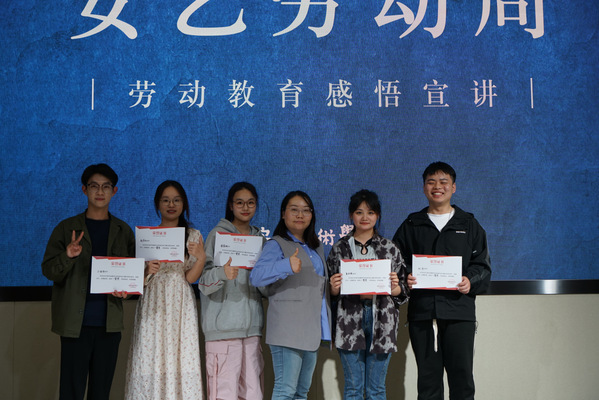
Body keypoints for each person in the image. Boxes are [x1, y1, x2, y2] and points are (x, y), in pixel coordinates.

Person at [392, 162, 492, 400]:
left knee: (462, 379)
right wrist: (407, 277)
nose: (437, 187)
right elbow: (396, 261)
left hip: (459, 312)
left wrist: (469, 280)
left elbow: (482, 265)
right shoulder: (412, 224)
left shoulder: (469, 224)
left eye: (443, 182)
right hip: (423, 313)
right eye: (431, 182)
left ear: (453, 187)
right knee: (428, 382)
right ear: (424, 188)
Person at [42, 163, 135, 400]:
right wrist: (68, 255)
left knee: (100, 393)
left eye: (106, 186)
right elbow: (49, 271)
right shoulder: (66, 228)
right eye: (94, 186)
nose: (100, 192)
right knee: (71, 392)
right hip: (75, 325)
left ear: (115, 191)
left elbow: (133, 277)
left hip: (109, 325)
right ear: (84, 189)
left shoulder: (123, 231)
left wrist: (128, 291)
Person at [124, 180, 205, 400]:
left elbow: (190, 277)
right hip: (154, 299)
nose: (171, 205)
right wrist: (146, 271)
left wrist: (201, 258)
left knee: (181, 355)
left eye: (176, 200)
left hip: (180, 301)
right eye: (166, 200)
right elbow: (136, 281)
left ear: (184, 204)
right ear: (157, 204)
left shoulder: (193, 235)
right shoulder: (148, 236)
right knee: (150, 352)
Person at [250, 191, 332, 400]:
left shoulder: (316, 247)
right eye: (294, 210)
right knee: (285, 391)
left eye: (306, 210)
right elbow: (256, 277)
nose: (300, 215)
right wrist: (286, 265)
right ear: (283, 213)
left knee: (301, 393)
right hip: (287, 329)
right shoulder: (275, 244)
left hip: (311, 329)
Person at [327, 189, 408, 400]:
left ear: (377, 215)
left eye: (370, 212)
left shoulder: (390, 248)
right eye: (359, 212)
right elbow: (329, 291)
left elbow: (403, 290)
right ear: (351, 215)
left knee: (376, 390)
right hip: (348, 320)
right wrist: (333, 289)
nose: (365, 217)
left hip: (382, 321)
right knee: (353, 388)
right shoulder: (339, 248)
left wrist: (395, 288)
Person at [198, 182, 266, 400]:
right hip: (223, 332)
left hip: (252, 331)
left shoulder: (260, 240)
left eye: (250, 203)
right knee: (224, 395)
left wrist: (267, 277)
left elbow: (265, 287)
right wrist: (221, 273)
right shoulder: (217, 235)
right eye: (239, 203)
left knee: (253, 394)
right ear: (230, 205)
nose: (245, 208)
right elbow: (203, 282)